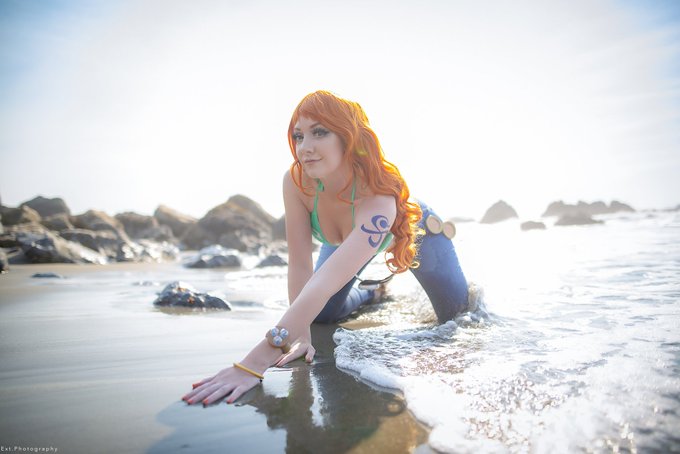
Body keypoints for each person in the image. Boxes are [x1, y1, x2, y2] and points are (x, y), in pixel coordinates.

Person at [182, 90, 468, 406]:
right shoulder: (297, 181)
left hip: (417, 230)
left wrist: (255, 362)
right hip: (346, 242)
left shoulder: (379, 200)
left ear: (348, 137)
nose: (305, 147)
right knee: (322, 314)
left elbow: (320, 284)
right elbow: (300, 264)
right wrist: (300, 336)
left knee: (459, 319)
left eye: (319, 132)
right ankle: (373, 293)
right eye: (299, 135)